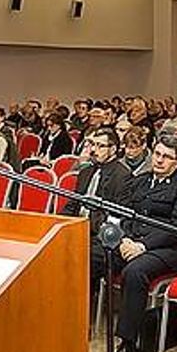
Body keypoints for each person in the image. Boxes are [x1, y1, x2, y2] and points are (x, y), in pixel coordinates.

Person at [110, 133, 177, 352]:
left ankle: (127, 344)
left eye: (167, 157)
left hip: (167, 250)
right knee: (94, 255)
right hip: (132, 241)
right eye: (157, 154)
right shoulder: (140, 180)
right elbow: (125, 213)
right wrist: (125, 238)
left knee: (135, 272)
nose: (159, 160)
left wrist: (143, 246)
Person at [62, 127, 133, 301]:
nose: (94, 150)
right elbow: (73, 204)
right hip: (79, 229)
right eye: (93, 144)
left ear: (113, 149)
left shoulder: (122, 176)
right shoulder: (86, 172)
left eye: (101, 146)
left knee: (79, 255)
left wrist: (87, 228)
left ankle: (75, 305)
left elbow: (116, 219)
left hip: (101, 237)